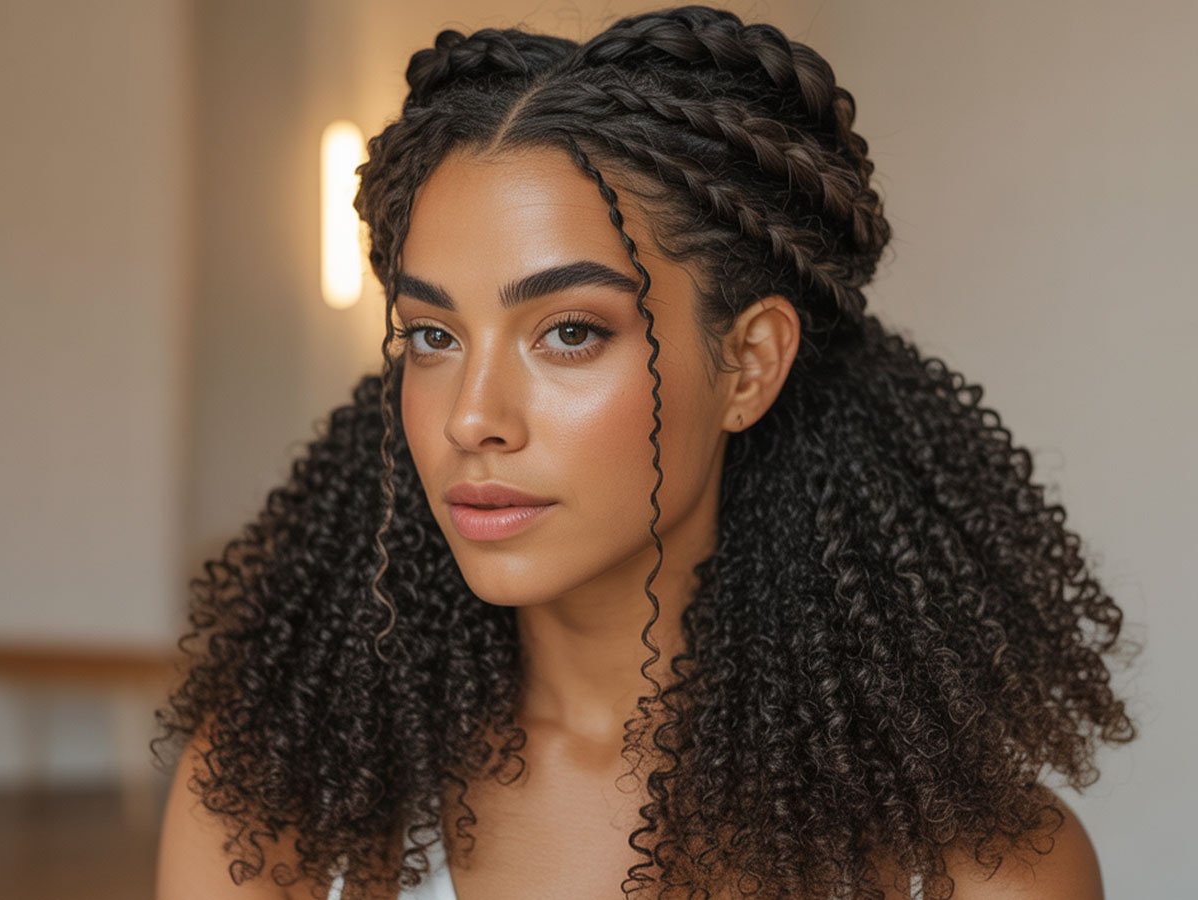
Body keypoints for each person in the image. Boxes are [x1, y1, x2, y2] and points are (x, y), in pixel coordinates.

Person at [154, 6, 1139, 899]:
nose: (471, 417)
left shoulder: (983, 872)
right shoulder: (272, 800)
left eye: (569, 332)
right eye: (433, 336)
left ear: (749, 363)